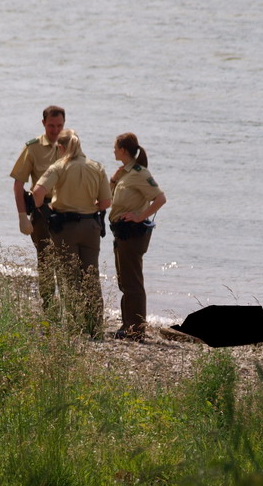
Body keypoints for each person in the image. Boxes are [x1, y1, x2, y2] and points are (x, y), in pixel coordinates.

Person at [32, 129, 111, 337]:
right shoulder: (97, 167)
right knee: (91, 277)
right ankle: (96, 328)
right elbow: (106, 202)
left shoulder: (59, 166)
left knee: (69, 278)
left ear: (60, 148)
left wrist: (45, 211)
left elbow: (38, 192)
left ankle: (75, 326)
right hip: (91, 227)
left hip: (65, 228)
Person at [109, 132, 166, 341]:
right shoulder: (125, 172)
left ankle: (136, 329)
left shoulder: (140, 173)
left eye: (115, 147)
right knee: (124, 280)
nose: (113, 151)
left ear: (123, 150)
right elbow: (112, 198)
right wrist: (114, 179)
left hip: (133, 234)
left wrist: (139, 216)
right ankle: (127, 325)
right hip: (121, 232)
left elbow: (160, 198)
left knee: (132, 281)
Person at [9, 105, 65, 308]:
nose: (55, 130)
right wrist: (22, 215)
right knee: (46, 260)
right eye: (51, 125)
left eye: (59, 125)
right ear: (43, 123)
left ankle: (68, 305)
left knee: (67, 261)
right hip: (42, 210)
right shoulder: (33, 148)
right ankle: (49, 304)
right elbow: (18, 183)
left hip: (67, 211)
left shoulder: (70, 145)